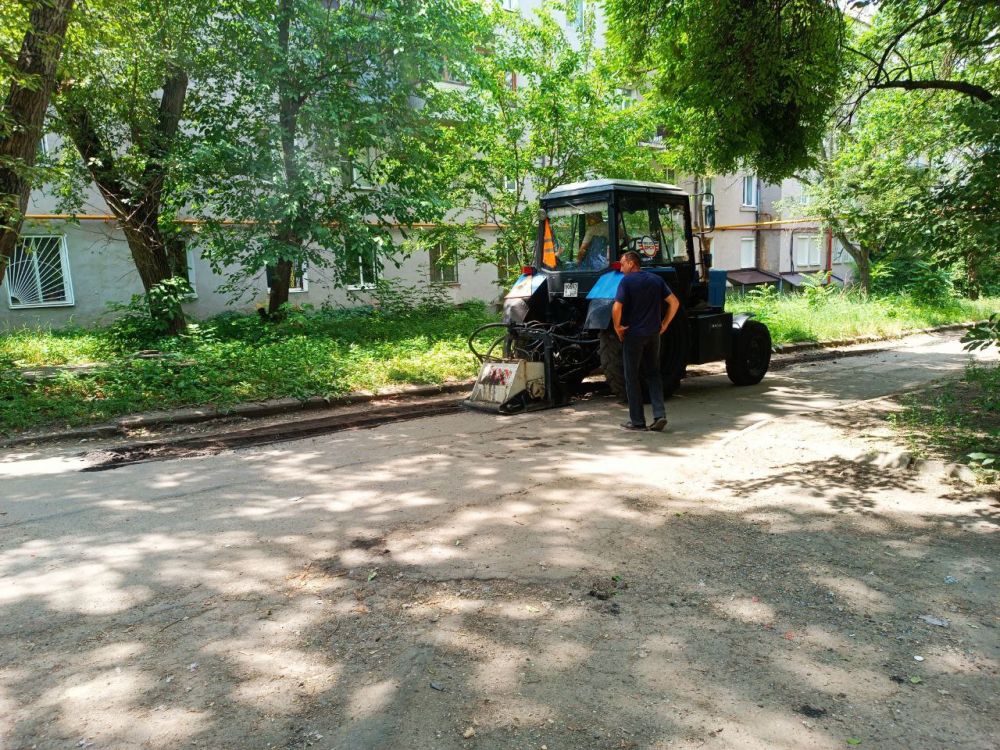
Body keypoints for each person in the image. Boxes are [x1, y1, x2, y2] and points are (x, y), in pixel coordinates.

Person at [612, 250, 681, 432]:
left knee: (632, 377)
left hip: (633, 335)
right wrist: (664, 324)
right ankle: (660, 415)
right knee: (653, 374)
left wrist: (617, 327)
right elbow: (674, 302)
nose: (621, 267)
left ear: (632, 263)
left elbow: (617, 307)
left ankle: (638, 422)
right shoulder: (656, 280)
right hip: (653, 335)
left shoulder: (626, 281)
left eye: (623, 263)